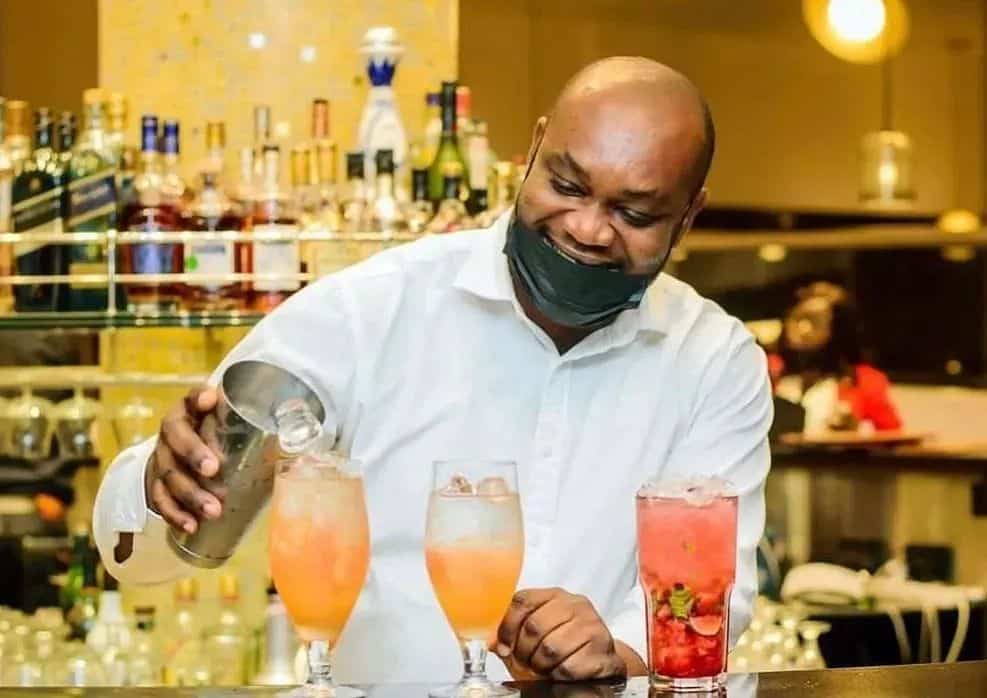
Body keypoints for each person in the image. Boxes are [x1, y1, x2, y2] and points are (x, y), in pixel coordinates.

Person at [92, 57, 772, 684]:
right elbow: (136, 560)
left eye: (633, 212)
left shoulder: (711, 360)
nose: (588, 229)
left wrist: (617, 652)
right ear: (531, 150)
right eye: (566, 185)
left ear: (689, 216)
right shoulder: (365, 314)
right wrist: (161, 488)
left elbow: (712, 594)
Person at [775, 282, 902, 433]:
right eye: (797, 319)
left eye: (814, 321)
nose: (803, 329)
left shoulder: (864, 380)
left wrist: (859, 430)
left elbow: (893, 436)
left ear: (838, 327)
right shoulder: (767, 372)